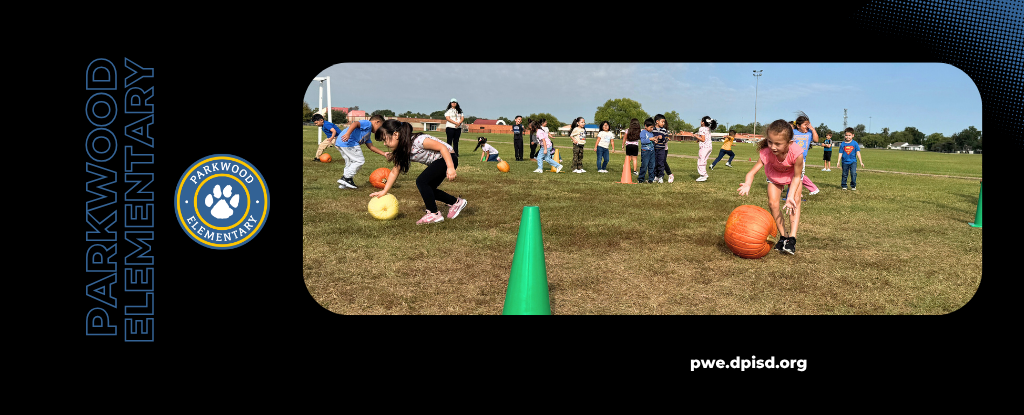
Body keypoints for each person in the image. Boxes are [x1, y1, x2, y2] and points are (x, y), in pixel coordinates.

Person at [370, 120, 467, 225]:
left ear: (396, 134)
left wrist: (450, 167)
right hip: (441, 161)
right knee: (428, 189)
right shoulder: (403, 149)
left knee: (422, 181)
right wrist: (384, 191)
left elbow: (442, 148)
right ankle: (456, 202)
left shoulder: (418, 140)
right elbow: (394, 171)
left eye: (385, 139)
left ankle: (433, 214)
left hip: (447, 158)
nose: (384, 144)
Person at [737, 119, 808, 255]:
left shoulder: (797, 153)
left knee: (794, 202)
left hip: (793, 176)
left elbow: (796, 177)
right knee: (772, 203)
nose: (773, 147)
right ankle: (784, 236)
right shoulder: (766, 152)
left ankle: (792, 238)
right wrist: (747, 184)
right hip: (775, 176)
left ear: (789, 143)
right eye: (770, 142)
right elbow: (752, 172)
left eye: (778, 144)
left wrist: (790, 196)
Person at [312, 113, 389, 190]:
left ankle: (344, 184)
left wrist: (384, 153)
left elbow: (371, 146)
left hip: (341, 142)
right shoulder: (368, 124)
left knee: (349, 163)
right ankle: (346, 178)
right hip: (349, 142)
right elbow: (355, 123)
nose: (380, 130)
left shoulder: (367, 134)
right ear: (377, 122)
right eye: (381, 127)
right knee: (359, 161)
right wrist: (348, 134)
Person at [789, 112, 821, 196]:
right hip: (791, 157)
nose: (807, 126)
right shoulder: (793, 132)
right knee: (792, 175)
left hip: (801, 159)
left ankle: (799, 192)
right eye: (805, 124)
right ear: (798, 126)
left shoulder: (810, 133)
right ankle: (795, 192)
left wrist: (813, 129)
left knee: (799, 176)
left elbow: (816, 140)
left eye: (808, 124)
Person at [652, 114, 675, 183]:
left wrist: (663, 138)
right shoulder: (653, 129)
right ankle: (656, 176)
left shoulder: (664, 130)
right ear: (657, 121)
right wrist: (654, 139)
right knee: (655, 163)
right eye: (662, 122)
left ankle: (665, 175)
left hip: (663, 149)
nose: (664, 123)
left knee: (662, 163)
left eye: (664, 122)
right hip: (655, 149)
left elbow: (667, 139)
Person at [695, 116, 717, 182]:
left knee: (700, 161)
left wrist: (696, 136)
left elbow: (703, 139)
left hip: (704, 147)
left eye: (701, 121)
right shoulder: (708, 128)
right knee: (704, 161)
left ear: (703, 122)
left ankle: (703, 175)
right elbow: (705, 137)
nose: (700, 122)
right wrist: (698, 139)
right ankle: (704, 174)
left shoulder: (701, 129)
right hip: (709, 147)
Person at [637, 118, 656, 183]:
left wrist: (654, 141)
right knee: (644, 166)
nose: (652, 129)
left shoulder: (652, 133)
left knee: (652, 166)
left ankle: (651, 179)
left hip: (652, 151)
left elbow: (652, 141)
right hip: (645, 151)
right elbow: (643, 141)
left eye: (653, 127)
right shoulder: (643, 132)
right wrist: (650, 139)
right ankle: (641, 179)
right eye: (651, 127)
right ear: (646, 126)